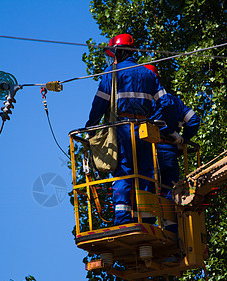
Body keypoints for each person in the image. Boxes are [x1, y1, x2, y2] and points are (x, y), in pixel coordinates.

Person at [85, 34, 177, 225]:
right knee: (147, 175)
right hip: (146, 131)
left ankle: (123, 219)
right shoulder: (149, 74)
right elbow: (166, 103)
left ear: (118, 51)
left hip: (123, 130)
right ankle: (147, 218)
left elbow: (99, 104)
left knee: (124, 174)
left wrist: (90, 128)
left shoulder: (112, 72)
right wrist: (165, 128)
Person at [144, 64, 200, 232]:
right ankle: (171, 228)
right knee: (170, 187)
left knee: (146, 184)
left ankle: (146, 225)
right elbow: (194, 120)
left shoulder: (143, 102)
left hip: (147, 151)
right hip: (169, 150)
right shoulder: (173, 101)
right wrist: (182, 141)